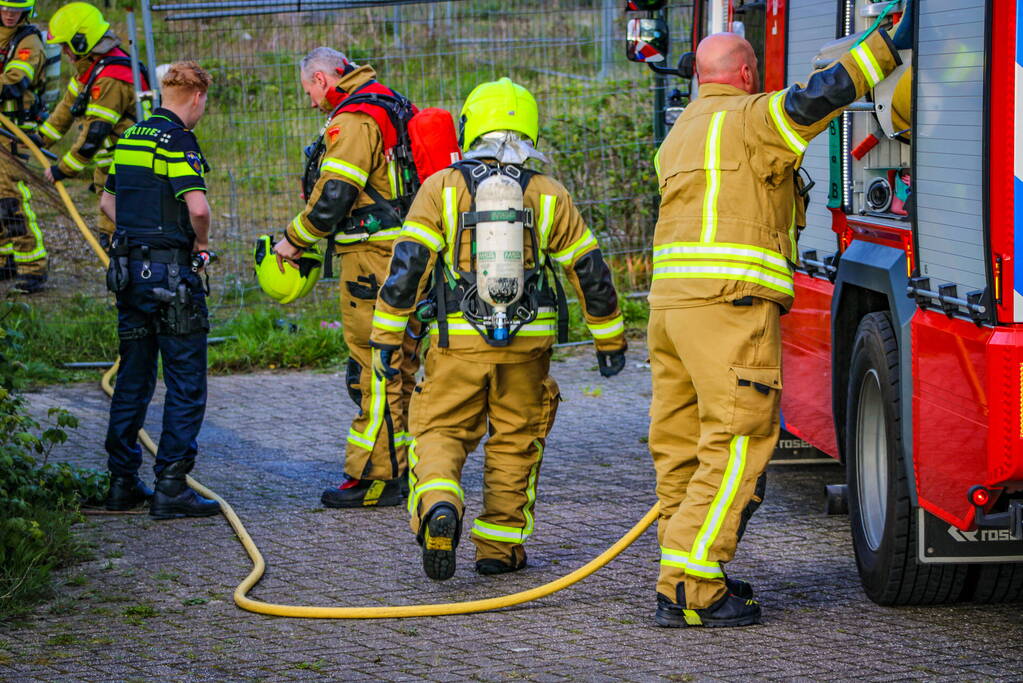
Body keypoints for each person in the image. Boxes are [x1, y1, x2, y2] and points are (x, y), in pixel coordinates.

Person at [648, 30, 901, 627]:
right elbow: (820, 96)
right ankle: (693, 586)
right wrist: (889, 45)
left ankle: (681, 571)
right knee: (737, 441)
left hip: (669, 314)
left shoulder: (676, 134)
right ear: (744, 74)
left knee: (682, 447)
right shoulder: (751, 117)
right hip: (729, 308)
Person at [369, 77, 628, 580]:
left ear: (471, 127)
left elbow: (407, 268)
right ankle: (499, 550)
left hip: (457, 344)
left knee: (440, 431)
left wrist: (386, 337)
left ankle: (441, 504)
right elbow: (591, 272)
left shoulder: (441, 187)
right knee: (516, 442)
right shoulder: (549, 195)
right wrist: (609, 340)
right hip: (529, 348)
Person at [272, 47, 420, 509]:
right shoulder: (390, 102)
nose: (312, 102)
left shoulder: (353, 120)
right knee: (404, 362)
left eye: (310, 92)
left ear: (321, 78)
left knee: (373, 367)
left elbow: (336, 193)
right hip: (405, 252)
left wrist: (295, 240)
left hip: (372, 260)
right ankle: (414, 467)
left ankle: (377, 476)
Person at [99, 61, 219, 519]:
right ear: (196, 98)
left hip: (130, 278)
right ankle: (171, 486)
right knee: (185, 383)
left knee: (133, 378)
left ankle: (121, 483)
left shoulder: (130, 138)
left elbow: (107, 201)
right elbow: (199, 207)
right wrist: (202, 244)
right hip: (173, 280)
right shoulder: (178, 141)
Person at [41, 1, 150, 245]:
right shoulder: (91, 68)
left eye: (65, 46)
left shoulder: (111, 77)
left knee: (121, 236)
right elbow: (66, 109)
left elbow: (95, 133)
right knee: (111, 233)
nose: (65, 52)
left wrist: (63, 169)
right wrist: (40, 139)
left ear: (81, 42)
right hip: (112, 168)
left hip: (128, 168)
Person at [0, 0, 49, 294]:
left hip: (13, 132)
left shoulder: (28, 40)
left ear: (26, 11)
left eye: (15, 9)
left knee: (10, 199)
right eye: (4, 7)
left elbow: (16, 82)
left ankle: (34, 267)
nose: (8, 14)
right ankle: (5, 259)